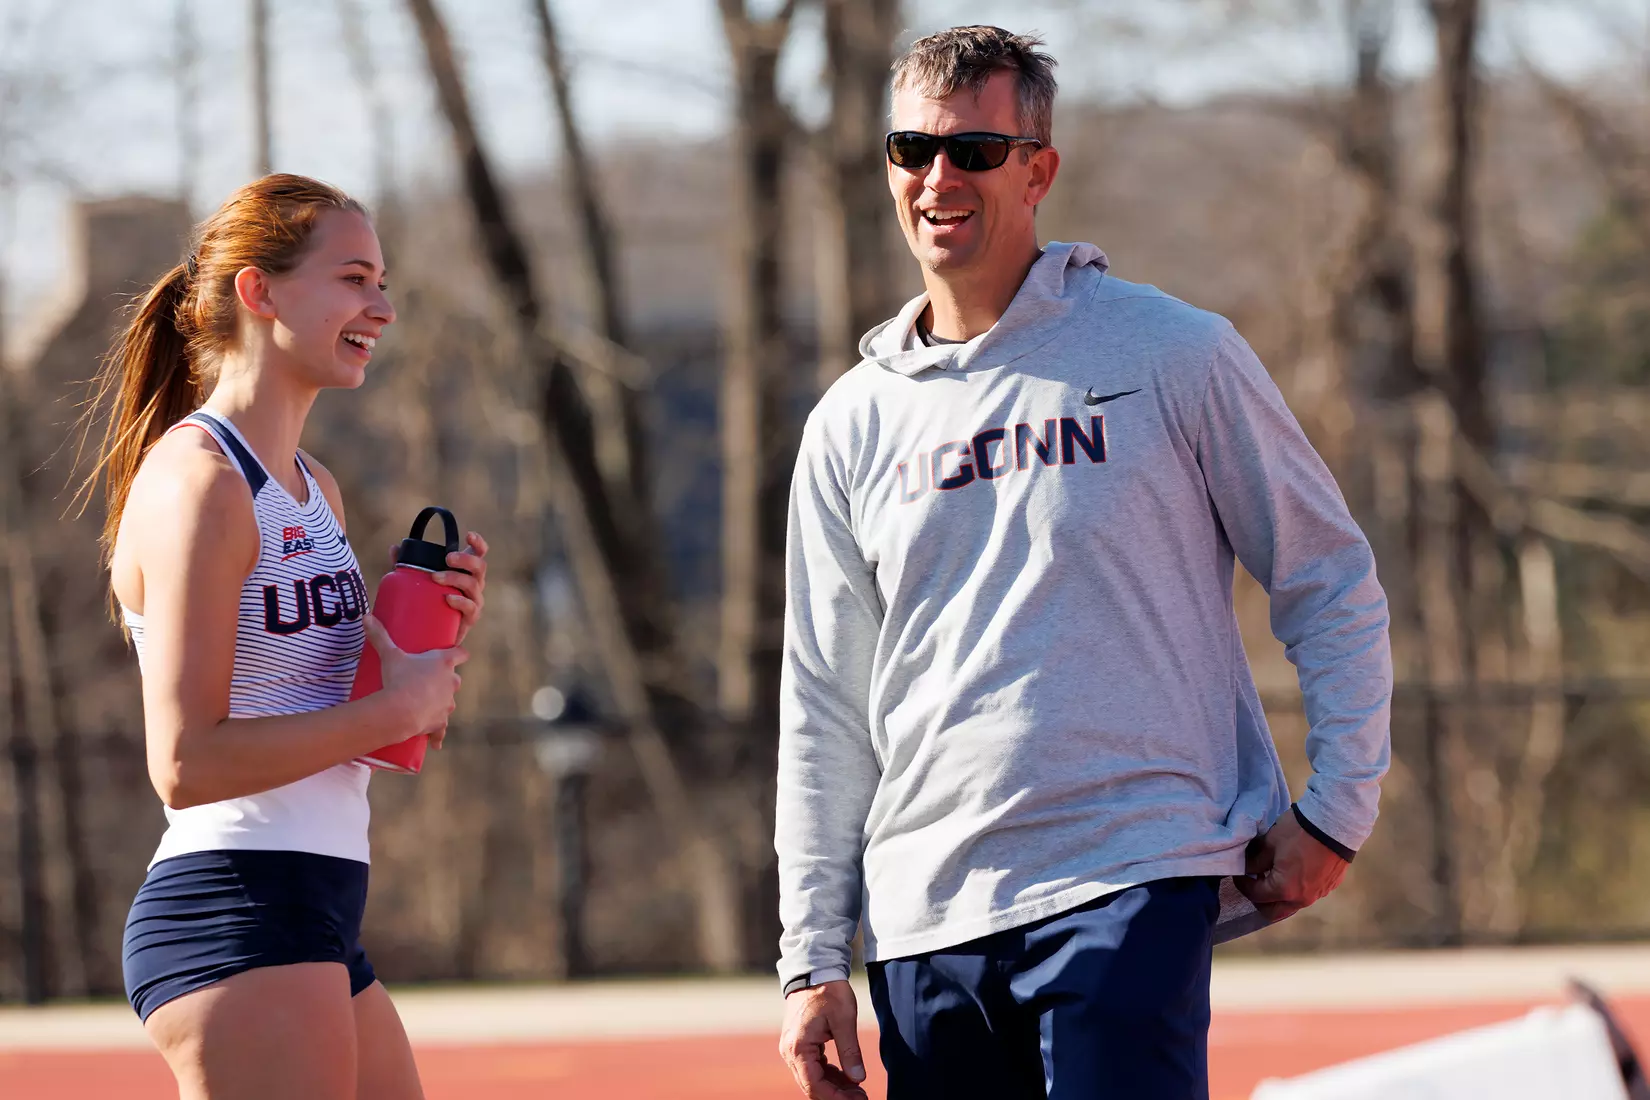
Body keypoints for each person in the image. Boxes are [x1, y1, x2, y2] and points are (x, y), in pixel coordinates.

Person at [775, 26, 1392, 1100]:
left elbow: (1328, 577)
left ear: (1038, 169)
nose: (937, 178)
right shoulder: (849, 424)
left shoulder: (1172, 353)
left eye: (973, 150)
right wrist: (814, 955)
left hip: (1129, 876)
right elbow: (825, 703)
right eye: (910, 148)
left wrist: (1339, 805)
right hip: (926, 917)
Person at [83, 174, 487, 1100]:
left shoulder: (314, 486)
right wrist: (395, 702)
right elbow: (185, 763)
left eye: (381, 282)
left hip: (316, 907)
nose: (381, 307)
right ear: (258, 293)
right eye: (353, 278)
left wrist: (418, 648)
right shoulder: (201, 482)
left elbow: (344, 732)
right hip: (238, 905)